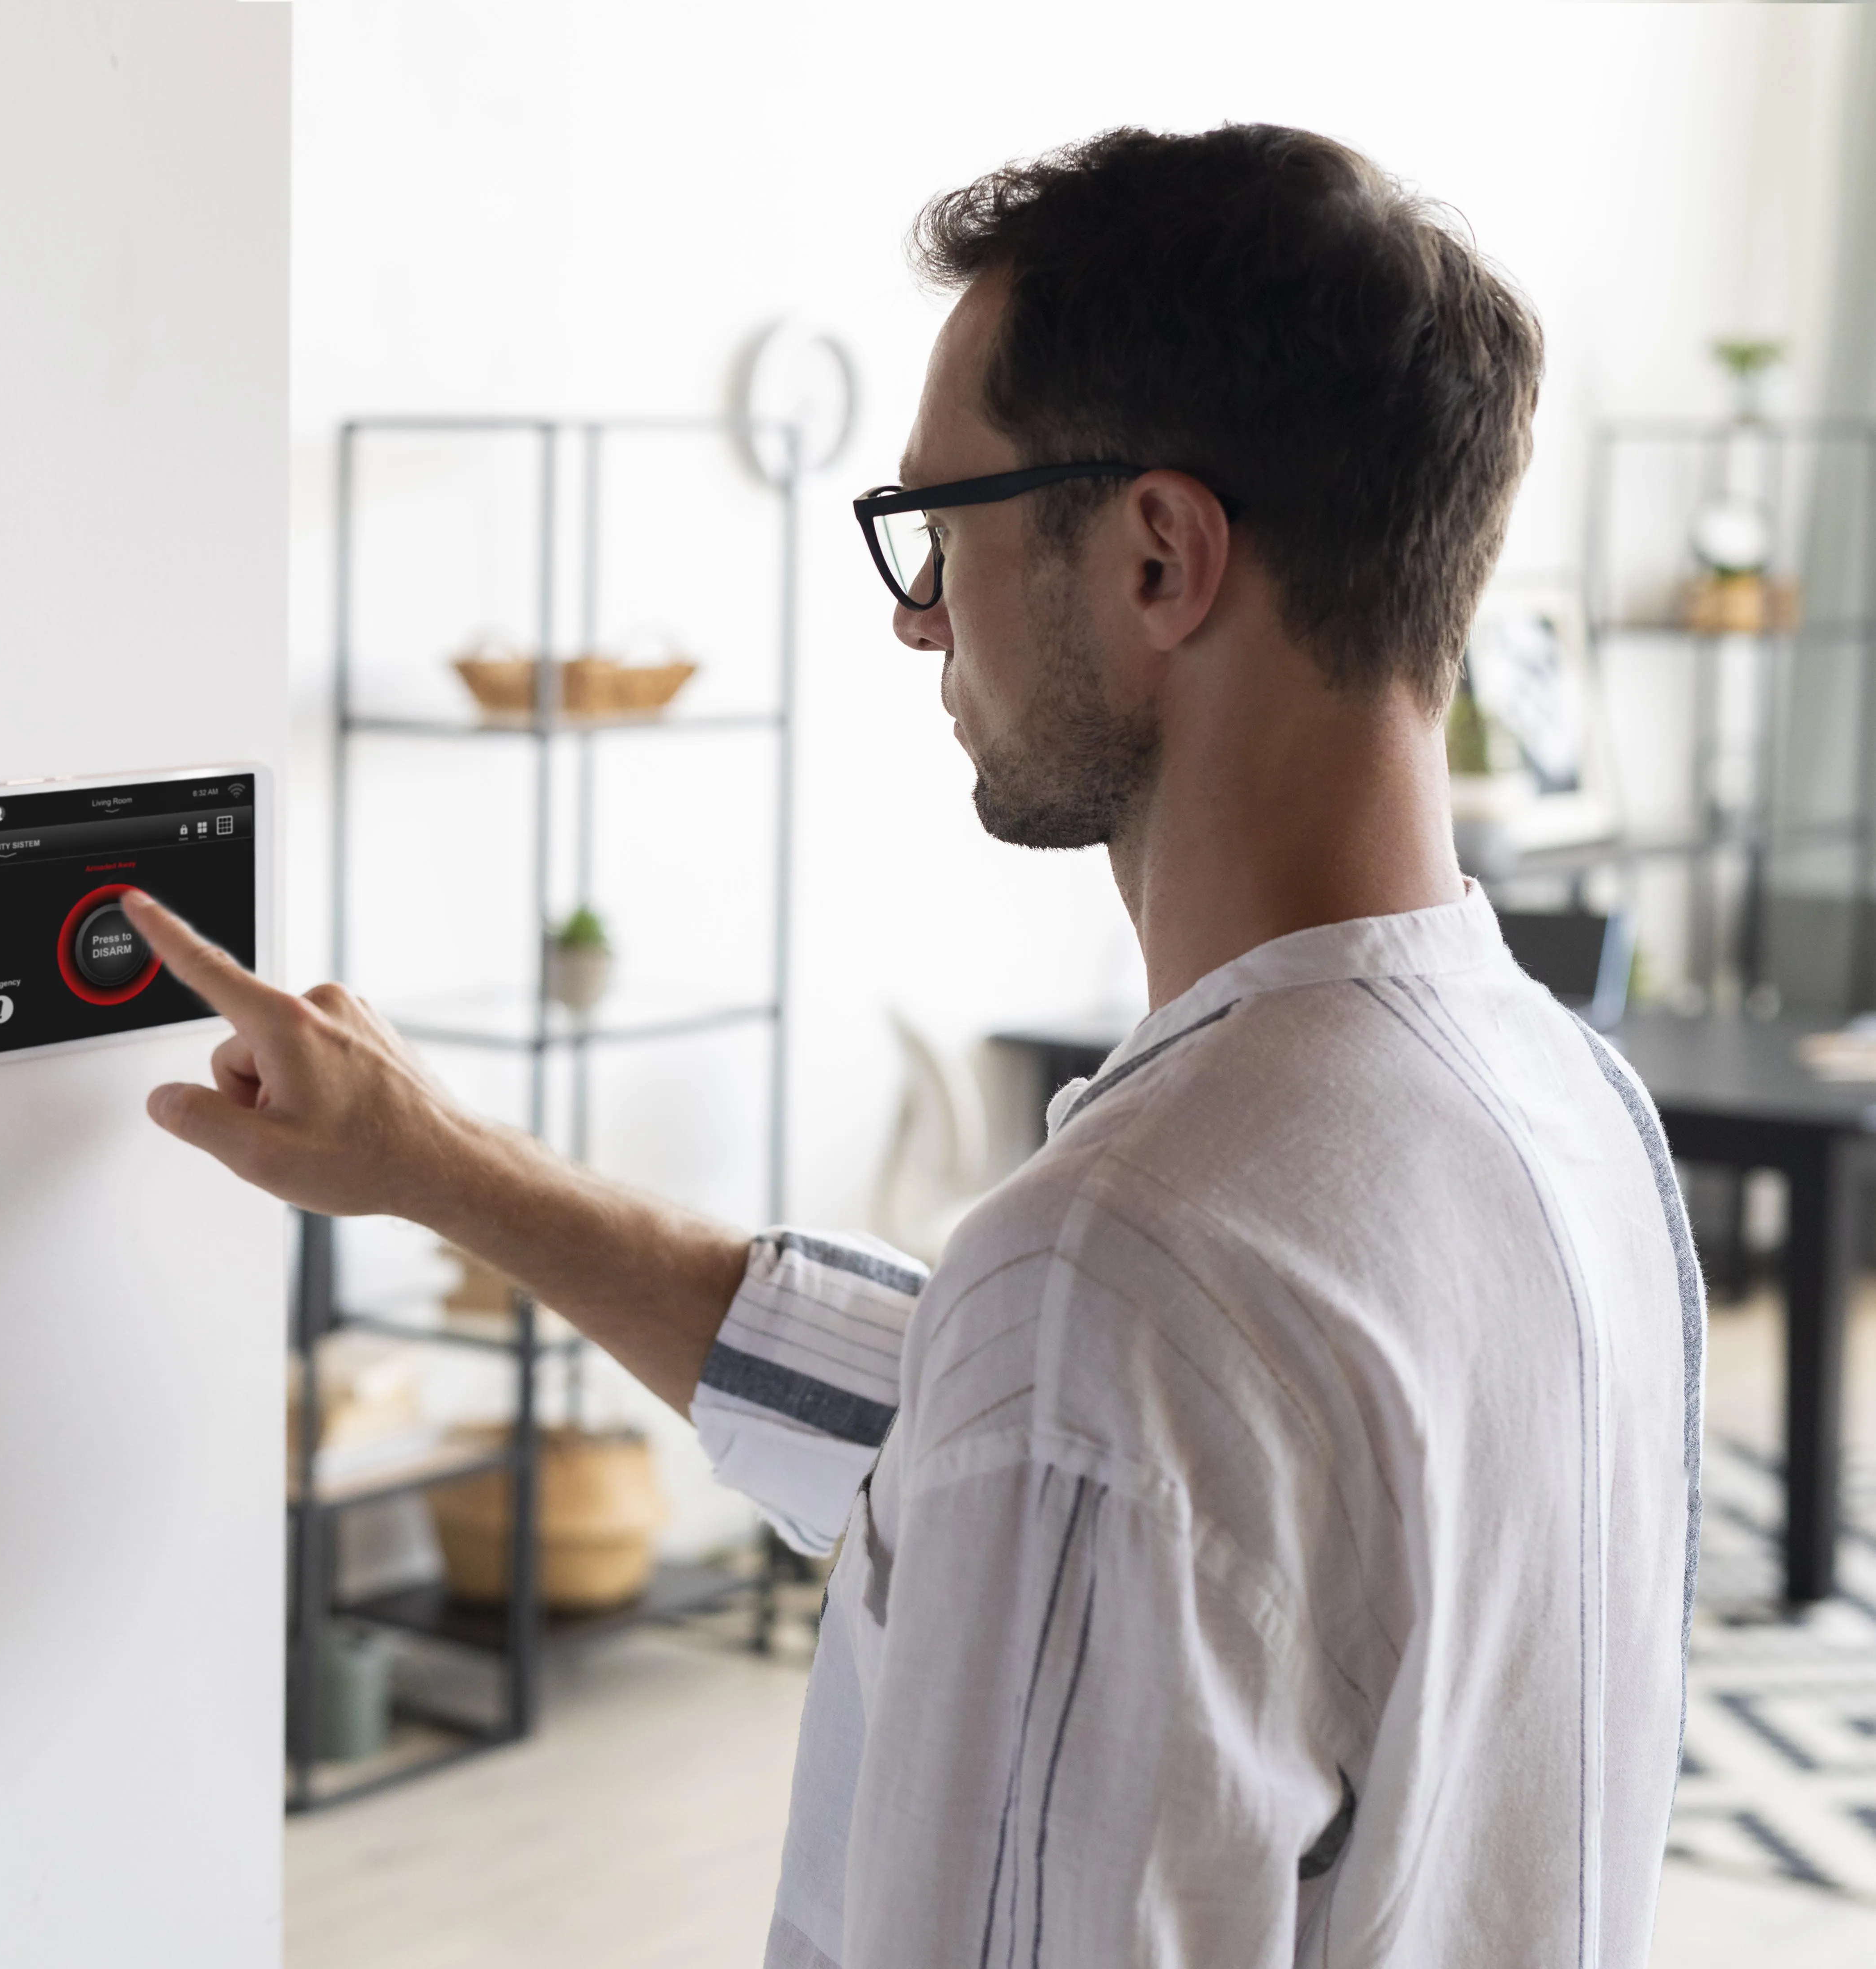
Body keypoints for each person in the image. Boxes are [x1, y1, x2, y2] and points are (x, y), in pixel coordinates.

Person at [124, 123, 1698, 1967]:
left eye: (941, 529)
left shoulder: (1122, 1277)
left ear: (1160, 554)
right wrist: (435, 1163)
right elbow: (986, 1430)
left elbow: (1066, 1406)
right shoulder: (1572, 1112)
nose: (914, 616)